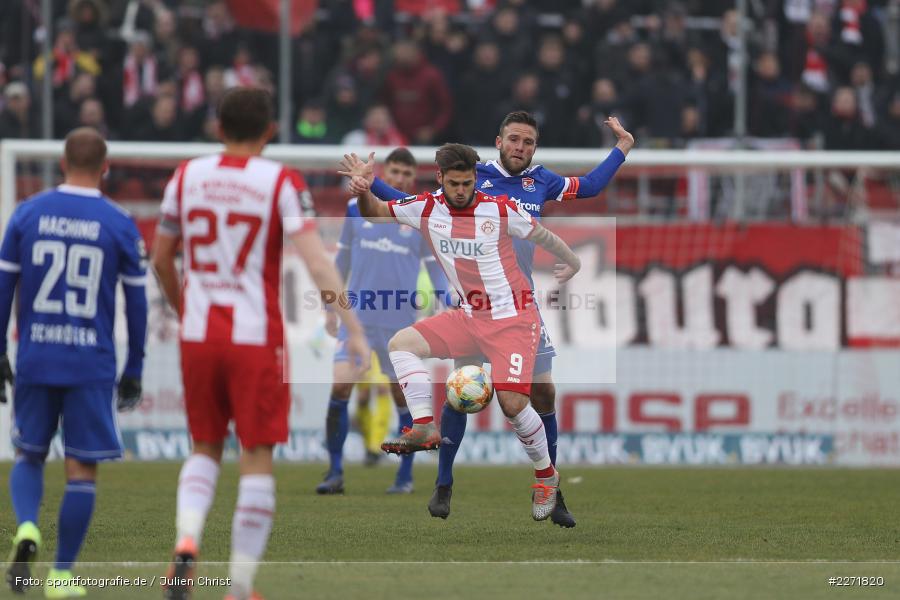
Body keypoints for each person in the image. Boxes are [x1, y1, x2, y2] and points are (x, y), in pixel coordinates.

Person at [347, 111, 635, 527]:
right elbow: (404, 206)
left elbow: (585, 191)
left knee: (533, 397)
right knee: (460, 392)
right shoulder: (470, 175)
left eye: (528, 142)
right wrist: (366, 183)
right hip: (468, 306)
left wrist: (623, 147)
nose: (520, 147)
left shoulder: (537, 184)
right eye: (514, 140)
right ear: (498, 141)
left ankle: (551, 485)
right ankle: (442, 479)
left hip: (518, 310)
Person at [151, 87, 369, 600]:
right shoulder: (280, 182)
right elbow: (317, 261)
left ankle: (186, 541)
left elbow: (161, 257)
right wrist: (352, 326)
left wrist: (187, 311)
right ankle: (240, 585)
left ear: (217, 127)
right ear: (270, 130)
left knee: (204, 446)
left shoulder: (186, 176)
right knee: (256, 455)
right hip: (255, 337)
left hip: (199, 334)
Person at [1, 127, 148, 598]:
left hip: (37, 354)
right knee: (81, 470)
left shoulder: (27, 214)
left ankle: (27, 527)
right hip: (90, 361)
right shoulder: (120, 222)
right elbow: (138, 304)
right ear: (105, 169)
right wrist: (136, 367)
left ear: (62, 164)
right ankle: (62, 576)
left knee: (29, 453)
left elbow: (4, 288)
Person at [318, 147, 449, 495]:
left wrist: (447, 300)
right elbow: (341, 263)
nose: (402, 179)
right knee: (341, 386)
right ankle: (334, 472)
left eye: (408, 175)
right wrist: (330, 308)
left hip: (399, 323)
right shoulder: (354, 209)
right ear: (385, 174)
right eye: (396, 173)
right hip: (357, 320)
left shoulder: (419, 220)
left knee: (402, 399)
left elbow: (436, 269)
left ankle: (404, 477)